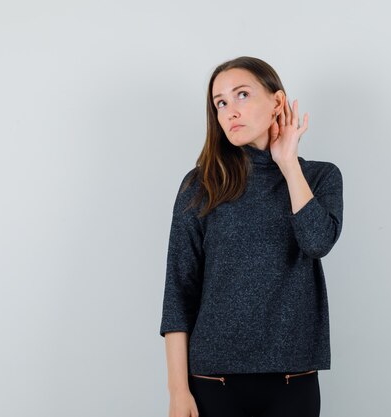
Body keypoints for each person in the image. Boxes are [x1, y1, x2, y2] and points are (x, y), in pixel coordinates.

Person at [160, 56, 344, 417]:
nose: (230, 111)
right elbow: (178, 294)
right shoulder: (202, 185)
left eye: (241, 95)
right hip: (215, 381)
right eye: (221, 103)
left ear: (277, 102)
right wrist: (178, 391)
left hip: (294, 378)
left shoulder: (320, 177)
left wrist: (288, 164)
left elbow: (317, 241)